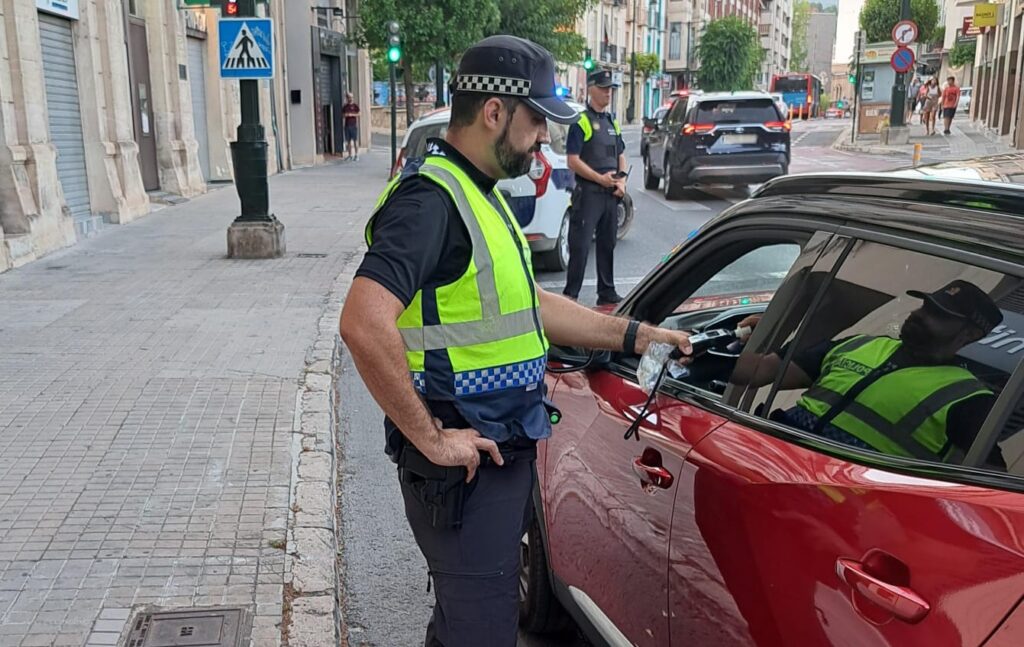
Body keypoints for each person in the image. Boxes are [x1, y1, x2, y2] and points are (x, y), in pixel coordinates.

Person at [338, 35, 691, 647]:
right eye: (536, 123)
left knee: (462, 627)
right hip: (464, 470)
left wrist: (636, 335)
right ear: (494, 112)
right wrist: (431, 437)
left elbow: (532, 308)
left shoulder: (480, 193)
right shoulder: (430, 201)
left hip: (494, 457)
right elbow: (362, 320)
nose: (545, 139)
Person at [730, 281, 1004, 464]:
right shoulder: (863, 344)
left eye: (938, 315)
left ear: (969, 334)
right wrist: (702, 356)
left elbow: (990, 484)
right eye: (925, 306)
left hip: (842, 506)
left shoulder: (968, 399)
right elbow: (765, 370)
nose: (920, 315)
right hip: (774, 461)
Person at [562, 68, 628, 306]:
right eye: (603, 89)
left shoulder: (612, 122)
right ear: (591, 89)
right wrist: (599, 179)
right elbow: (573, 160)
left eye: (610, 89)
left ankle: (606, 291)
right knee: (579, 246)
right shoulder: (581, 121)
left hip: (610, 194)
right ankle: (571, 296)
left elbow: (621, 154)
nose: (608, 93)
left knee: (607, 244)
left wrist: (622, 181)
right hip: (589, 194)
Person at [342, 92, 360, 161]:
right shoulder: (345, 106)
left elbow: (359, 113)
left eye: (352, 97)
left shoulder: (355, 106)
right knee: (348, 141)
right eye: (349, 97)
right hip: (347, 125)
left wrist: (352, 115)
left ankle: (356, 155)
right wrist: (345, 115)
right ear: (347, 98)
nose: (350, 98)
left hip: (353, 125)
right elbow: (342, 115)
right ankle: (350, 155)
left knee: (355, 140)